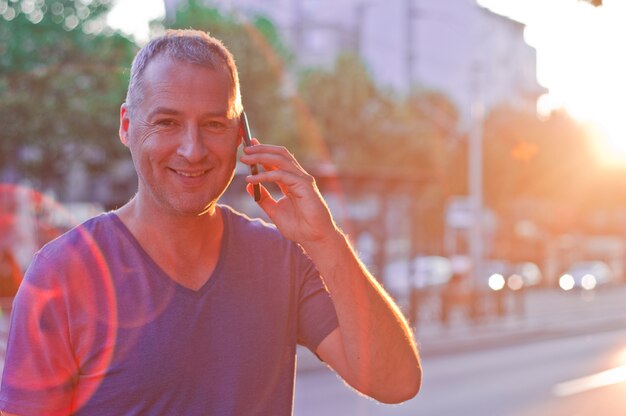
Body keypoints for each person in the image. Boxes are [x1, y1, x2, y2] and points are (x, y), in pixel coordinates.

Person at [0, 29, 421, 415]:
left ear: (242, 137)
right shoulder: (61, 274)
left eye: (214, 124)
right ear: (127, 125)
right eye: (167, 122)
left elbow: (395, 382)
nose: (192, 149)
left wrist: (325, 241)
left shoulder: (284, 261)